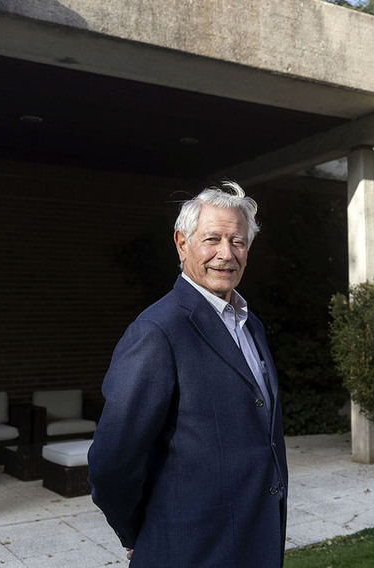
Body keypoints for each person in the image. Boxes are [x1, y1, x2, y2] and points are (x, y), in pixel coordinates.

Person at [88, 181, 288, 567]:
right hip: (189, 551)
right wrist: (137, 531)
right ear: (182, 244)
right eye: (212, 239)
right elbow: (113, 461)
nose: (226, 254)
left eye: (238, 242)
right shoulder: (157, 331)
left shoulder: (252, 326)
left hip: (254, 541)